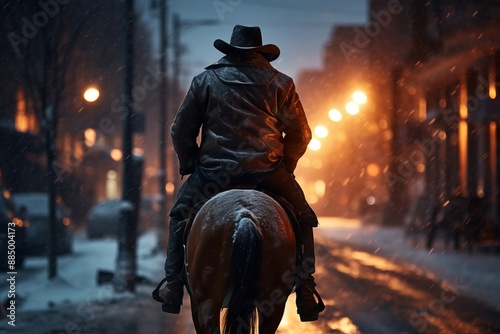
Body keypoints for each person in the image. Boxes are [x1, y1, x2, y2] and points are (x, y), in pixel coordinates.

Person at [152, 25, 325, 322]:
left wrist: (190, 162)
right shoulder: (281, 84)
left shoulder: (205, 81)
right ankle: (306, 287)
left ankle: (173, 283)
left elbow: (181, 131)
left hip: (214, 174)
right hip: (267, 172)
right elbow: (301, 134)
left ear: (230, 50)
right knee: (303, 215)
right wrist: (286, 165)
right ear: (260, 52)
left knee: (180, 215)